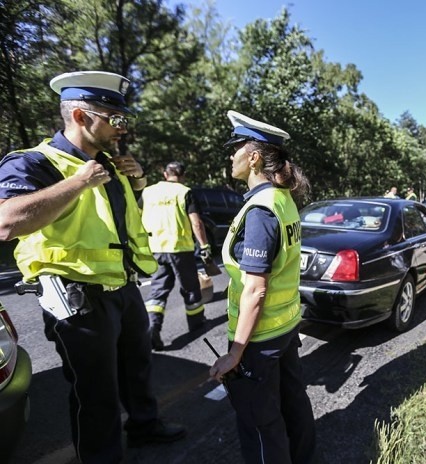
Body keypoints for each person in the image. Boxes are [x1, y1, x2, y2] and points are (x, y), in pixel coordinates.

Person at [0, 71, 185, 463]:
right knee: (96, 393)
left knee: (137, 367)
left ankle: (144, 427)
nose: (123, 129)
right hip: (76, 298)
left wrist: (135, 184)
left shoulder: (111, 166)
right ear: (82, 116)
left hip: (122, 286)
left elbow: (114, 224)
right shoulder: (34, 162)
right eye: (115, 119)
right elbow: (7, 222)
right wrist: (78, 182)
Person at [209, 110, 316, 464]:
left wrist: (235, 353)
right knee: (293, 407)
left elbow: (255, 290)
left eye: (236, 148)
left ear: (253, 157)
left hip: (258, 340)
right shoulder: (283, 200)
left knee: (260, 426)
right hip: (284, 329)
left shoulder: (260, 210)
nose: (230, 155)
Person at [140, 161, 211, 350]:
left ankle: (152, 328)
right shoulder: (184, 192)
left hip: (155, 247)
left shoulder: (148, 192)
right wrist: (204, 246)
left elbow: (136, 216)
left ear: (165, 174)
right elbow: (196, 223)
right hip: (180, 249)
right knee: (190, 288)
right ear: (183, 175)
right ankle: (197, 324)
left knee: (158, 291)